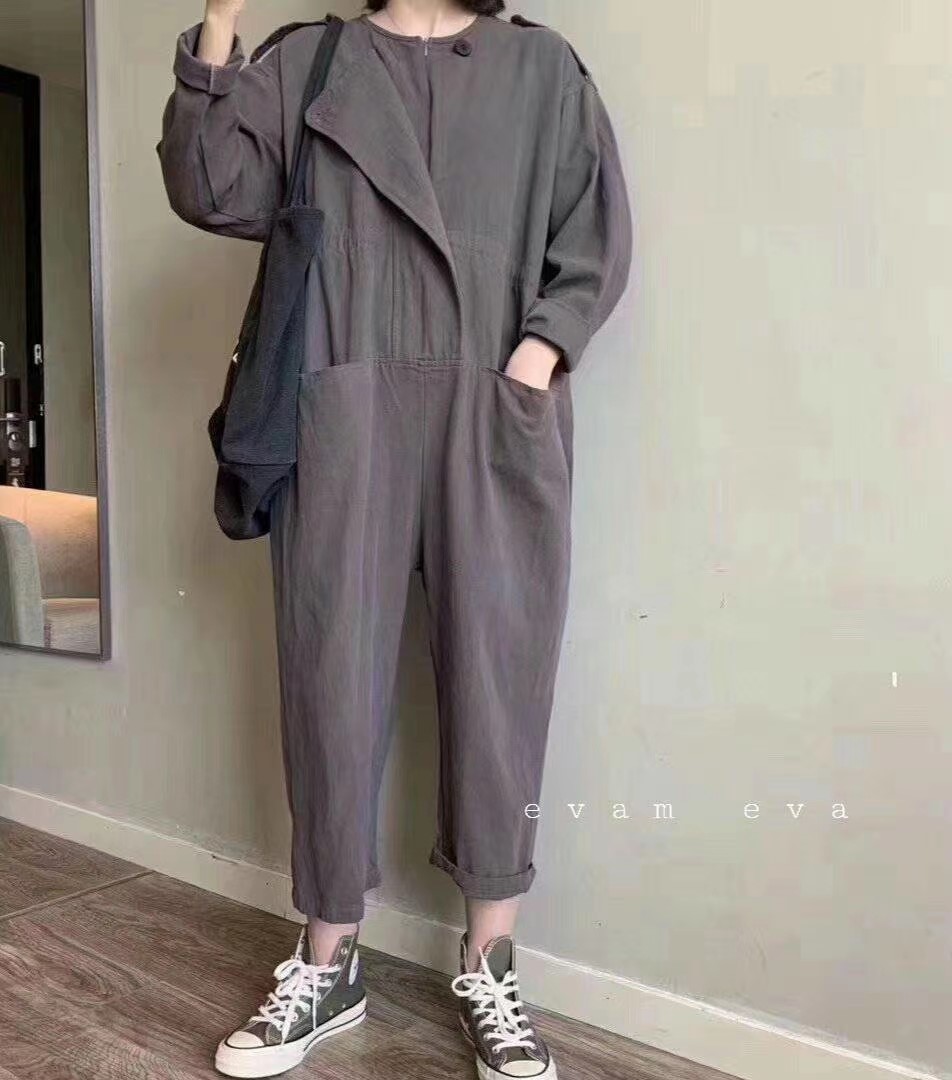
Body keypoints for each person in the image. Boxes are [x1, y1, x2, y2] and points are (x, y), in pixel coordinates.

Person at [159, 0, 632, 1076]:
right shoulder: (311, 59)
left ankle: (492, 965)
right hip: (346, 408)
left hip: (492, 409)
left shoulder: (542, 68)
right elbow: (208, 185)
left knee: (502, 682)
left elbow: (592, 232)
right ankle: (328, 962)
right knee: (329, 677)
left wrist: (538, 356)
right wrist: (220, 20)